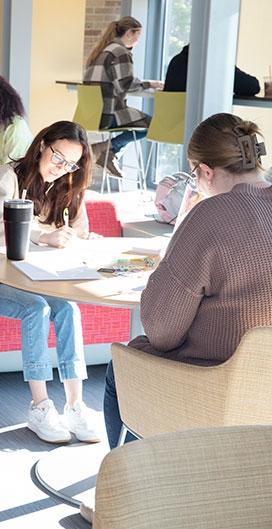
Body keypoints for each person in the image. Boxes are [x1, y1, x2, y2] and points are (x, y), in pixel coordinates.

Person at [103, 113, 272, 451]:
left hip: (214, 382)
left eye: (195, 174)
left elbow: (161, 332)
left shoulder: (209, 215)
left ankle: (139, 488)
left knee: (119, 367)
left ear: (206, 171)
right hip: (264, 389)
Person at [0, 121, 100, 444]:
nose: (62, 168)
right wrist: (43, 236)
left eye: (71, 163)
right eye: (57, 157)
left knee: (68, 308)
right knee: (36, 310)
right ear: (41, 145)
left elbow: (78, 230)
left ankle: (75, 406)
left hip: (36, 280)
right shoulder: (7, 177)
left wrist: (80, 239)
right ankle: (39, 406)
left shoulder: (69, 184)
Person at [83, 17, 164, 178]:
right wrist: (153, 84)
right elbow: (126, 85)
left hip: (92, 114)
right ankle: (107, 148)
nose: (138, 41)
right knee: (154, 125)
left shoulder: (102, 50)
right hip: (109, 114)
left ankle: (107, 151)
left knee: (135, 122)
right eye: (138, 36)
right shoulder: (121, 52)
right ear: (129, 33)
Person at [164, 44, 261, 96]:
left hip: (169, 130)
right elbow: (252, 87)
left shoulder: (176, 61)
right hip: (203, 129)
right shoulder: (214, 64)